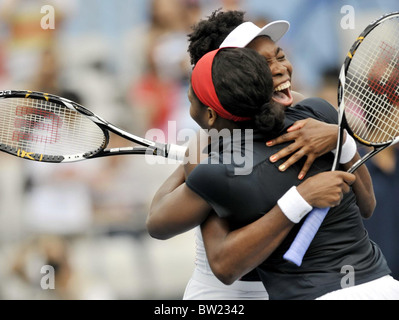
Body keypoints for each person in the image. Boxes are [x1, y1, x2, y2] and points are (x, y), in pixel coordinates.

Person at [148, 11, 372, 300]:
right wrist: (191, 163)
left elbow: (367, 206)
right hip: (229, 293)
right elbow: (163, 226)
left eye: (280, 56)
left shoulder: (310, 110)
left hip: (296, 289)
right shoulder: (207, 149)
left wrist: (340, 138)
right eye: (262, 62)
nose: (281, 68)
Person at [176, 47, 398, 299]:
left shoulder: (216, 170)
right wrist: (305, 194)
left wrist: (341, 144)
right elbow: (368, 206)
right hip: (385, 287)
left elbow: (220, 266)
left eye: (190, 98)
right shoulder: (319, 112)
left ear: (211, 113)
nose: (281, 67)